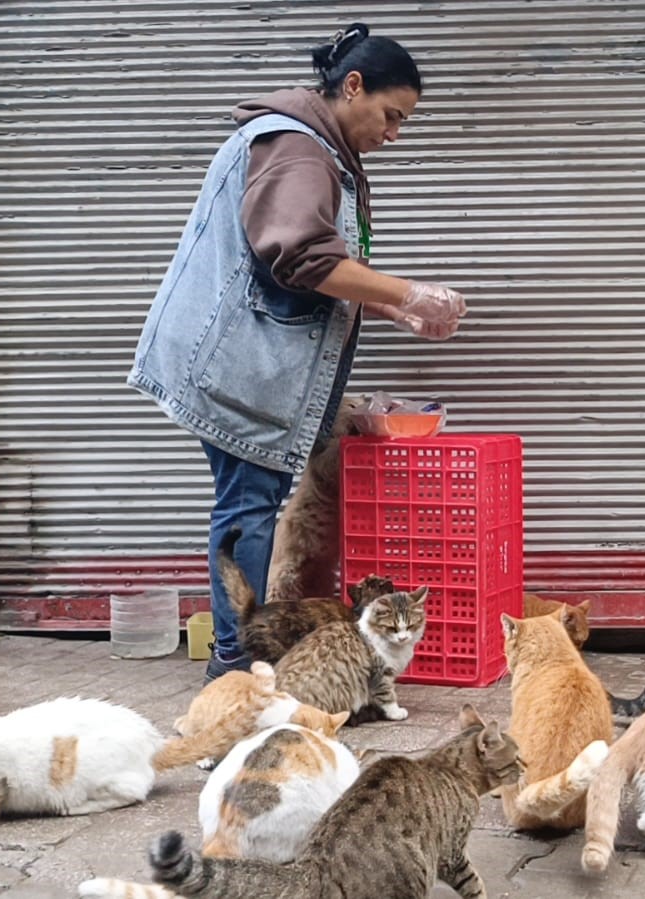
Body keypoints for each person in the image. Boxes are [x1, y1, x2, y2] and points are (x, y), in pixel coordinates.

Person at [127, 23, 464, 681]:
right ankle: (233, 665)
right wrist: (411, 291)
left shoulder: (308, 148)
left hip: (244, 362)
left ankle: (238, 655)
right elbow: (303, 256)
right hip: (238, 366)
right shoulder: (298, 149)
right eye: (391, 116)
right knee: (247, 507)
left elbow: (309, 265)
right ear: (353, 86)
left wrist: (392, 305)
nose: (394, 133)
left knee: (247, 502)